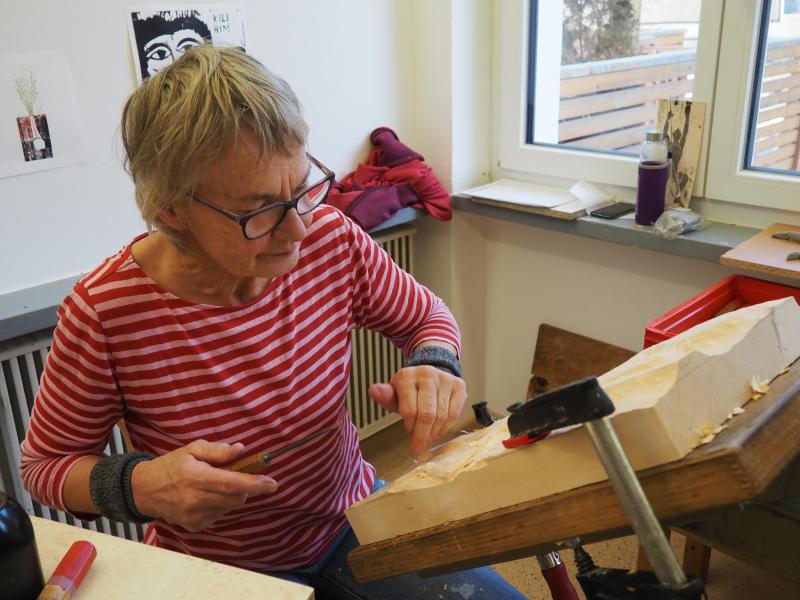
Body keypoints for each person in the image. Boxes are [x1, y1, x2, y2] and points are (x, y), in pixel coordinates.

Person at [20, 46, 525, 599]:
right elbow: (44, 466)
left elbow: (426, 316)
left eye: (302, 189)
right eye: (258, 211)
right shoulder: (105, 310)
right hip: (222, 568)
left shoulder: (332, 238)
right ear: (171, 208)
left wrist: (435, 364)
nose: (298, 232)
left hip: (352, 521)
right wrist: (139, 484)